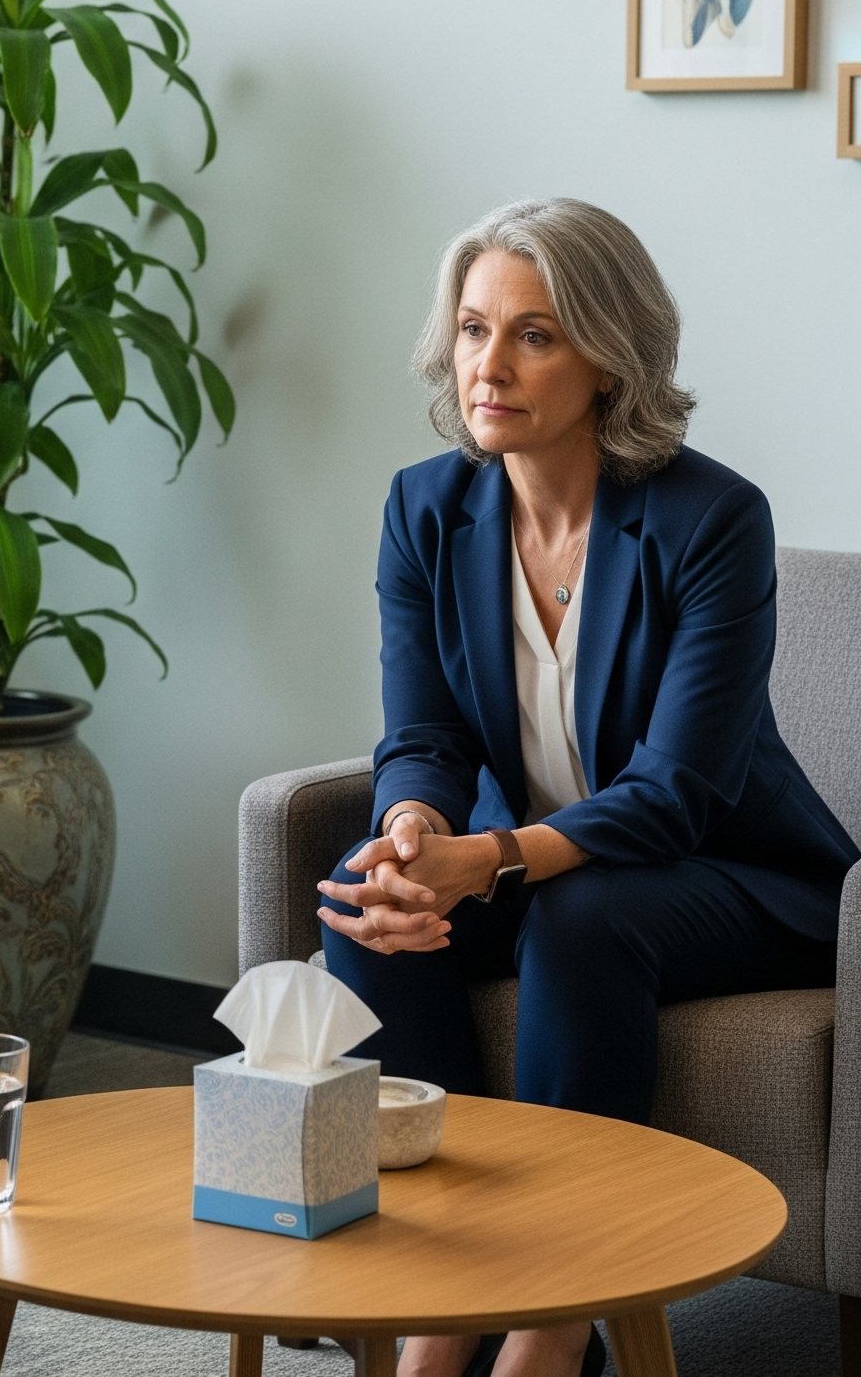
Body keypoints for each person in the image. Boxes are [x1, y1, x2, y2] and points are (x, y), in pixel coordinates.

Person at [317, 199, 858, 1377]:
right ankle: (441, 1303)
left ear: (609, 355)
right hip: (555, 864)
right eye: (470, 330)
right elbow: (421, 732)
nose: (488, 367)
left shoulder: (709, 517)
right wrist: (413, 833)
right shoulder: (425, 507)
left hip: (743, 878)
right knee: (361, 910)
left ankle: (554, 1324)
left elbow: (676, 791)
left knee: (581, 915)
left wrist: (492, 855)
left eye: (533, 336)